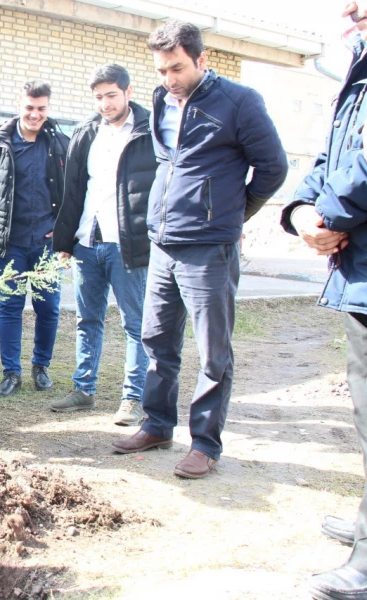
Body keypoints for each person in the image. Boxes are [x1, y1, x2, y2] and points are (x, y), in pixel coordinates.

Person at [111, 20, 287, 479]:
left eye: (177, 68)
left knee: (212, 352)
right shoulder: (159, 99)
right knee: (156, 341)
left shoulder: (240, 103)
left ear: (202, 60)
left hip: (209, 247)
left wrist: (231, 214)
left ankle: (205, 444)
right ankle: (157, 424)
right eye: (161, 70)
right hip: (163, 244)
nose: (169, 79)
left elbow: (273, 168)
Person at [282, 3, 367, 597]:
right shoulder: (358, 68)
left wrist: (330, 217)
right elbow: (330, 159)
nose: (348, 7)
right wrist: (300, 213)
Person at [51, 64, 158, 426]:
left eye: (111, 95)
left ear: (128, 92)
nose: (105, 103)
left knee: (135, 323)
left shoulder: (151, 131)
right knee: (87, 320)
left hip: (127, 244)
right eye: (98, 97)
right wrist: (66, 240)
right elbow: (74, 190)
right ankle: (83, 389)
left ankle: (133, 398)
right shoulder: (86, 132)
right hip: (87, 242)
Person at [0, 80, 68, 397]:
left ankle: (41, 367)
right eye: (29, 107)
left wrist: (63, 226)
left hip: (46, 245)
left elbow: (74, 191)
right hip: (8, 243)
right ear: (19, 105)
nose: (35, 114)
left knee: (49, 308)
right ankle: (11, 372)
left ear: (48, 107)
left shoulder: (60, 144)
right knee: (10, 308)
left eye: (41, 108)